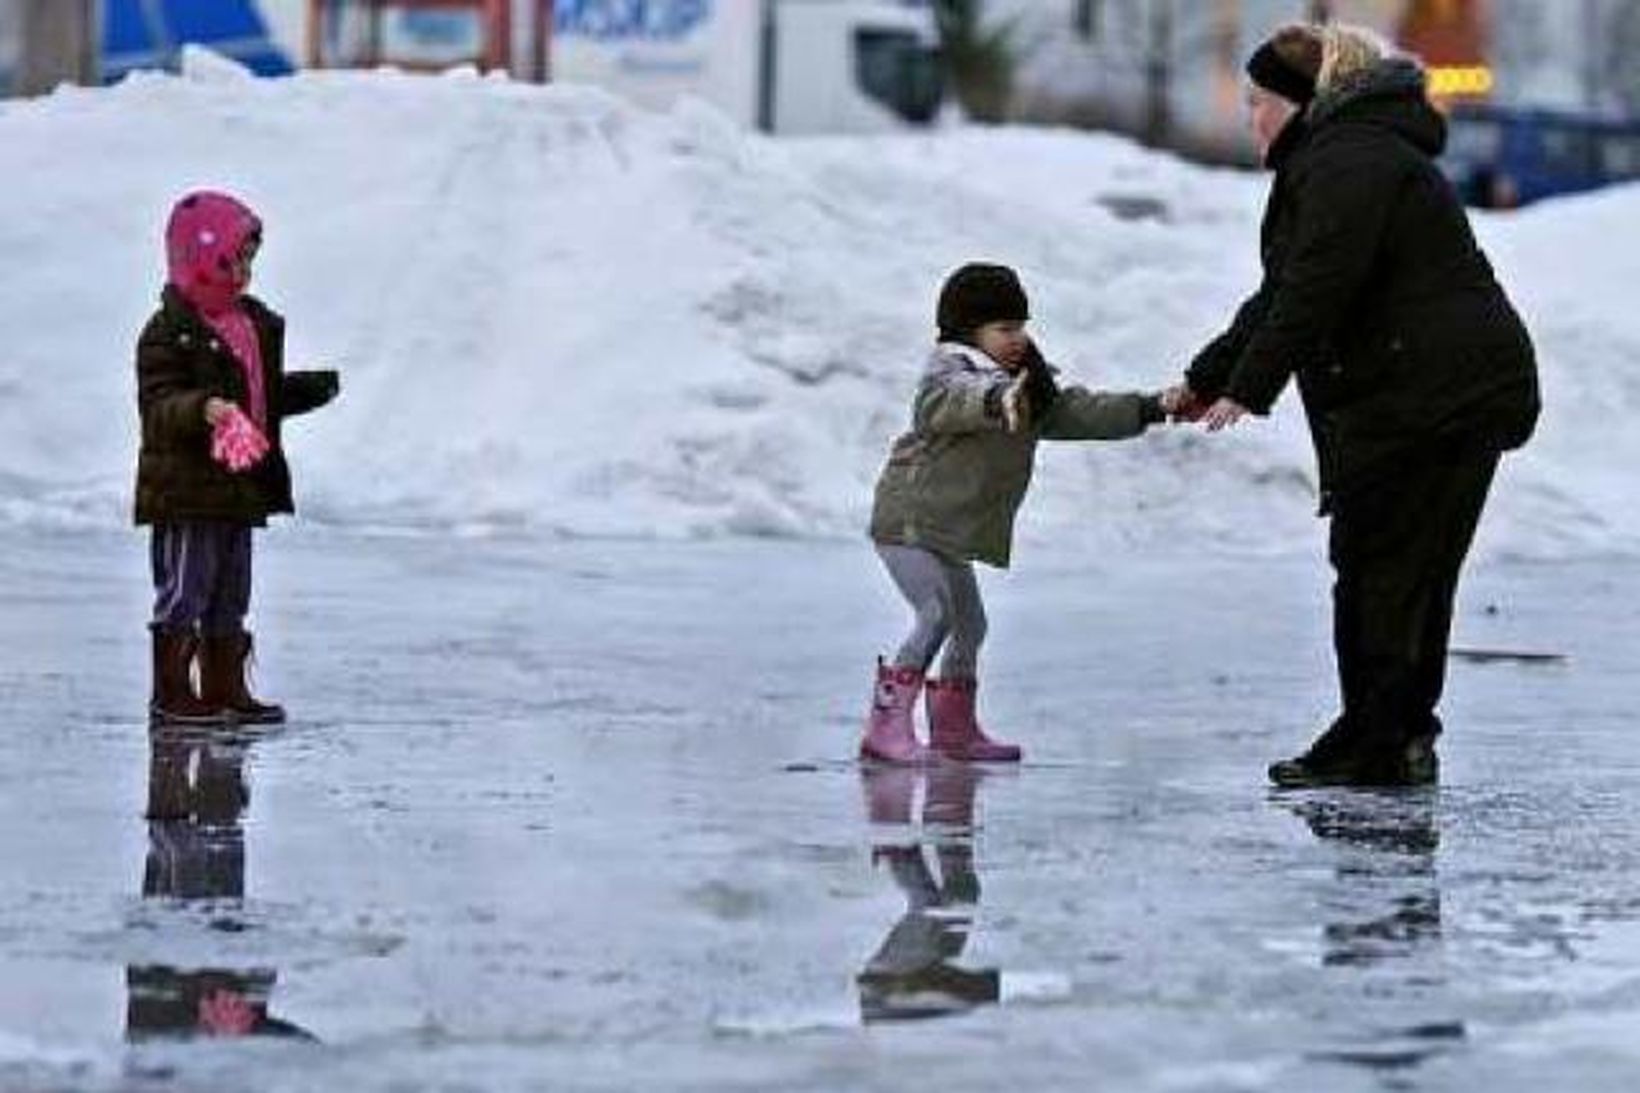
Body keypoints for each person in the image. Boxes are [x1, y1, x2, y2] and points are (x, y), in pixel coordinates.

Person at [1176, 24, 1540, 787]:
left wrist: (1249, 386)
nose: (1251, 117)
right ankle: (1396, 735)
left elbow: (1315, 289)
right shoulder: (1347, 154)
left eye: (1260, 101)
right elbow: (1282, 290)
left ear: (1303, 103)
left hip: (1436, 398)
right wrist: (1210, 375)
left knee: (1387, 569)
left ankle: (1376, 741)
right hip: (1428, 394)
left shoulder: (1350, 160)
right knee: (1396, 570)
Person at [863, 263, 1179, 764]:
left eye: (1023, 327)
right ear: (970, 331)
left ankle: (954, 731)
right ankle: (886, 727)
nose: (1019, 338)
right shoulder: (950, 371)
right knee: (935, 615)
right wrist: (998, 398)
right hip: (909, 521)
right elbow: (948, 403)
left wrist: (1151, 407)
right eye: (1005, 329)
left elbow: (1076, 412)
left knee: (973, 626)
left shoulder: (1026, 387)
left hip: (946, 529)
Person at [135, 191, 339, 726]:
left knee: (231, 589)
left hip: (238, 486)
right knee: (187, 587)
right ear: (199, 259)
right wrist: (202, 408)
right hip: (188, 489)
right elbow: (159, 405)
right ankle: (173, 691)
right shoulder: (169, 331)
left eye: (251, 260)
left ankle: (224, 685)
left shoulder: (250, 326)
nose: (245, 273)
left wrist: (299, 392)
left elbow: (258, 397)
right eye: (235, 260)